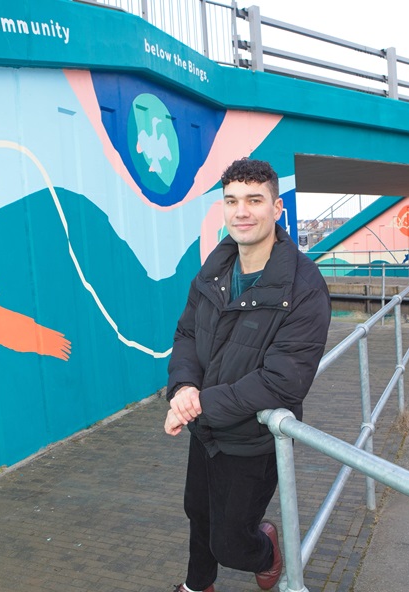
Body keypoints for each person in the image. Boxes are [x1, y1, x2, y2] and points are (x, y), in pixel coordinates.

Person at [164, 158, 331, 592]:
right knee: (197, 514)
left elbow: (284, 380)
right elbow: (185, 334)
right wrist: (183, 386)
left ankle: (269, 551)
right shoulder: (212, 271)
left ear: (277, 209)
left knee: (232, 544)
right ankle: (197, 586)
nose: (242, 211)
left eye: (255, 200)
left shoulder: (304, 286)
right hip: (205, 429)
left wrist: (197, 404)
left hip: (253, 438)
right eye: (232, 200)